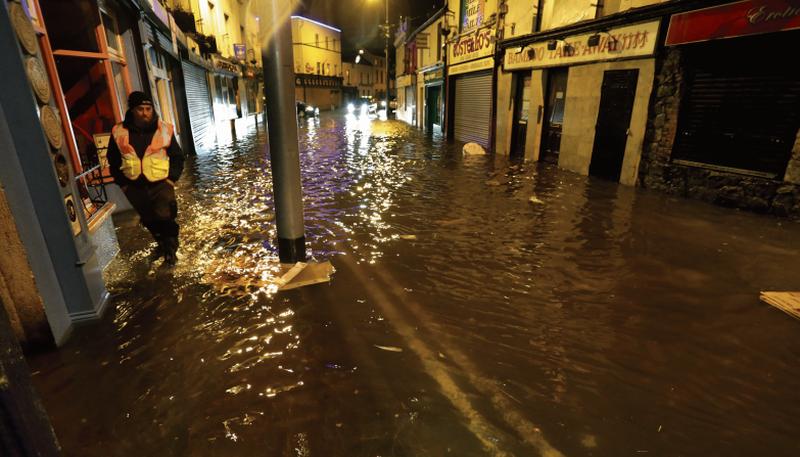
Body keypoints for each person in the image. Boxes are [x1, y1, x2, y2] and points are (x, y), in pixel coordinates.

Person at [106, 91, 185, 266]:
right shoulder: (119, 131)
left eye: (148, 108)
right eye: (140, 109)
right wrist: (123, 184)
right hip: (134, 187)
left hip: (161, 184)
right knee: (149, 220)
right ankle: (162, 244)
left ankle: (171, 253)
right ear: (132, 110)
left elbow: (177, 157)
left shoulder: (164, 129)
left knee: (166, 218)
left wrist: (171, 179)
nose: (145, 113)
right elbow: (112, 159)